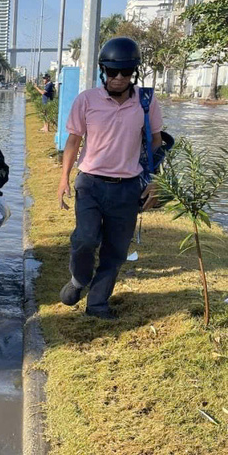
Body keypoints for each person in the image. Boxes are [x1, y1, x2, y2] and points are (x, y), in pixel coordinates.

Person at [57, 37, 163, 320]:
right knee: (86, 239)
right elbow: (73, 141)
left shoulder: (146, 102)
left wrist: (153, 180)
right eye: (112, 72)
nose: (118, 78)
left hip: (127, 188)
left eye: (125, 73)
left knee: (115, 250)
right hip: (90, 182)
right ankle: (79, 279)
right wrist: (63, 178)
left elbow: (156, 142)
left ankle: (97, 304)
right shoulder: (87, 100)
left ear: (134, 73)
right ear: (103, 70)